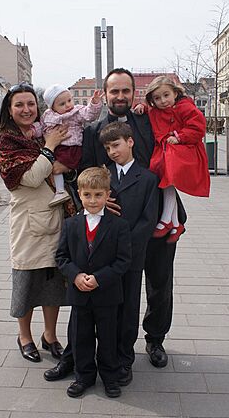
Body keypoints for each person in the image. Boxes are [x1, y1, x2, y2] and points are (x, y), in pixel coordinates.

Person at [43, 68, 187, 383]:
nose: (120, 96)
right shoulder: (94, 129)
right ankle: (93, 353)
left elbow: (179, 115)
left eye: (126, 91)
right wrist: (92, 202)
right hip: (111, 226)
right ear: (105, 95)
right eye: (114, 92)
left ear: (134, 93)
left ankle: (155, 338)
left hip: (156, 214)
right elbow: (86, 172)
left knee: (160, 284)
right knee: (114, 292)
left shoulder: (148, 120)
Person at [0, 83, 69, 363]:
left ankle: (50, 336)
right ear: (10, 111)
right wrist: (50, 148)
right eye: (19, 105)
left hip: (57, 218)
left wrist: (59, 158)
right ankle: (24, 336)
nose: (26, 110)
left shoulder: (41, 133)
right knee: (26, 282)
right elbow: (32, 177)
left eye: (31, 104)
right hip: (28, 224)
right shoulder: (6, 141)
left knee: (53, 282)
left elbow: (68, 163)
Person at [56, 167, 132, 398]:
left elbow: (123, 261)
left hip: (107, 295)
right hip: (80, 295)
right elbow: (61, 257)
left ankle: (110, 376)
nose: (93, 200)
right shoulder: (71, 224)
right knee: (81, 337)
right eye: (87, 195)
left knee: (108, 338)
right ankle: (84, 376)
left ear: (108, 194)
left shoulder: (119, 225)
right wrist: (76, 275)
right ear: (79, 194)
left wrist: (99, 278)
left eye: (98, 195)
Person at [99, 121, 159, 384]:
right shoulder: (103, 176)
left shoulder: (147, 178)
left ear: (130, 142)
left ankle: (125, 359)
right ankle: (106, 356)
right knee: (107, 308)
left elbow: (148, 220)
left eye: (117, 145)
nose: (113, 151)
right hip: (104, 258)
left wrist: (126, 249)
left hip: (132, 257)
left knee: (129, 307)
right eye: (108, 147)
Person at [135, 76, 210, 243]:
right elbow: (149, 110)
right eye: (157, 98)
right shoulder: (156, 110)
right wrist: (141, 106)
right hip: (166, 150)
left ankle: (166, 220)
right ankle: (175, 223)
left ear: (175, 93)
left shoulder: (185, 107)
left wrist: (180, 137)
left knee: (167, 178)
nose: (162, 101)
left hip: (183, 149)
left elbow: (198, 127)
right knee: (163, 178)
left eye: (166, 95)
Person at [36, 84, 103, 206]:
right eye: (62, 104)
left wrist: (94, 103)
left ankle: (60, 191)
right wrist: (32, 130)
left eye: (69, 100)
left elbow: (90, 115)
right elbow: (41, 127)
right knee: (52, 167)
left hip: (72, 147)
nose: (67, 105)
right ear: (53, 107)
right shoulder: (48, 115)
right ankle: (61, 191)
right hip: (57, 147)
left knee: (56, 169)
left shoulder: (76, 111)